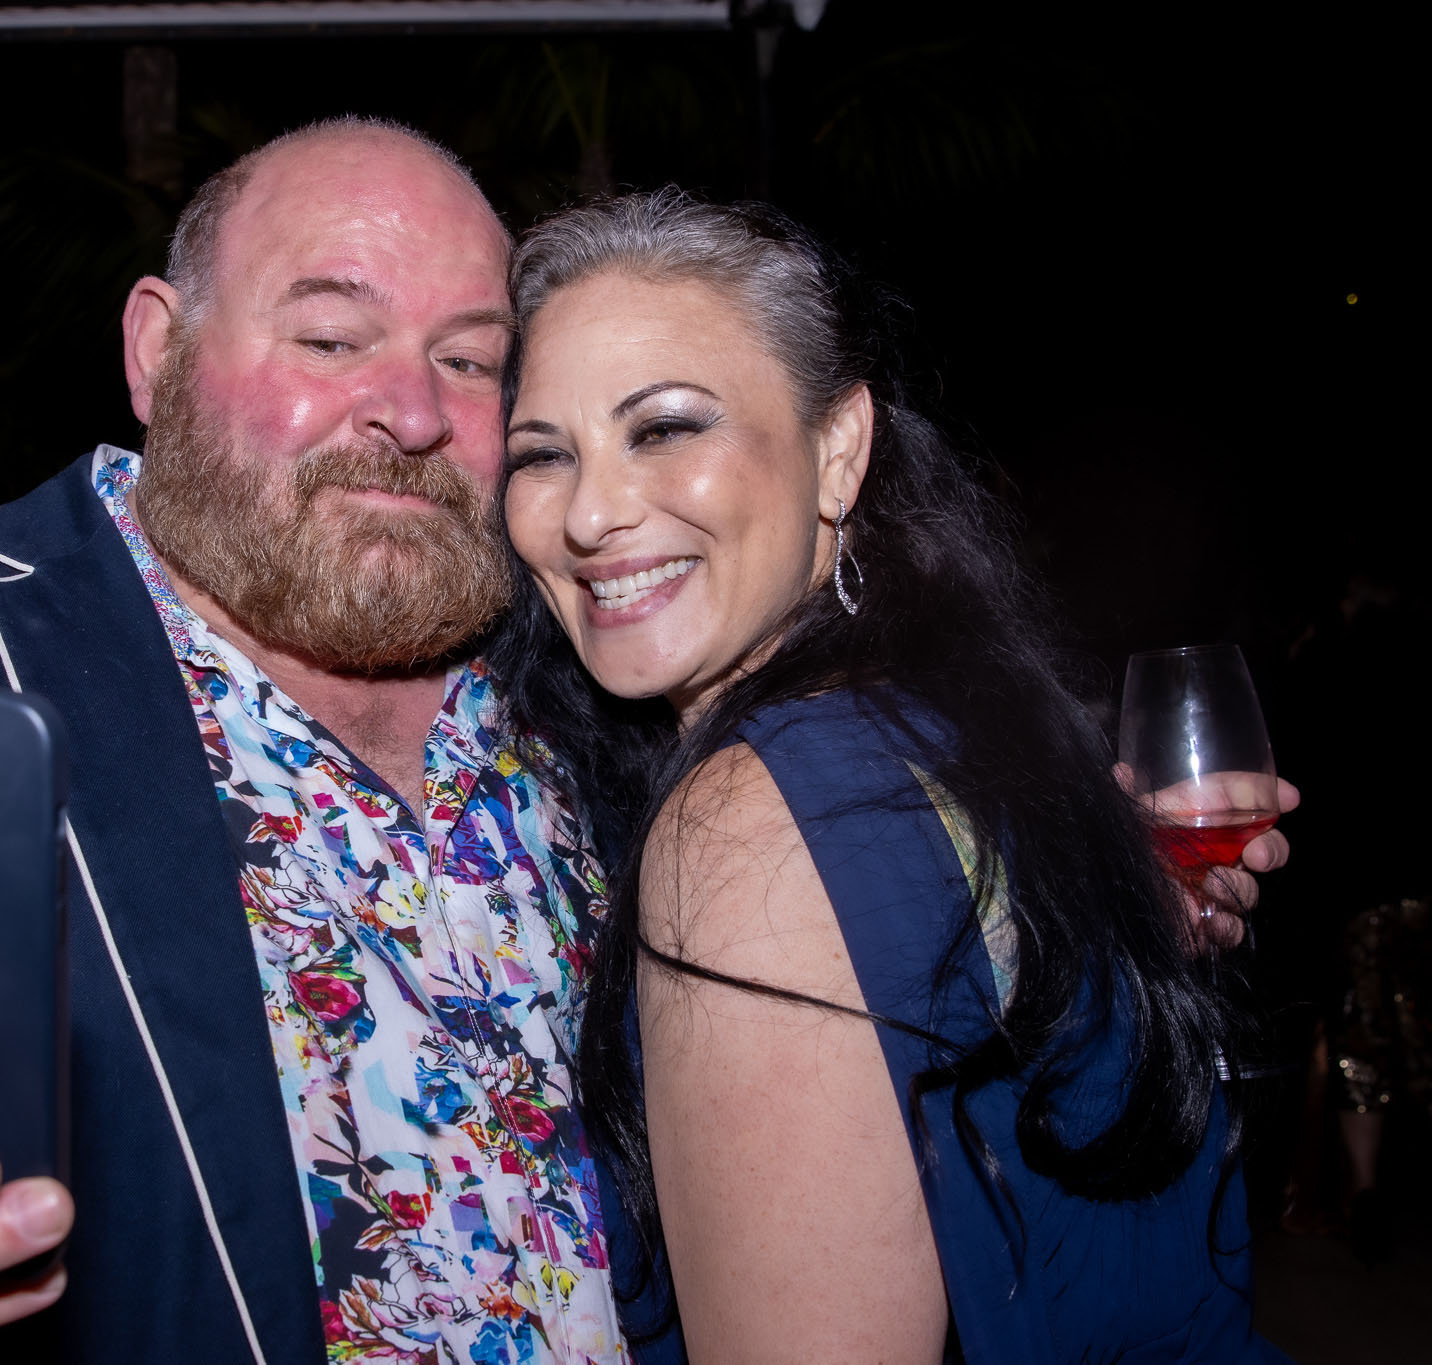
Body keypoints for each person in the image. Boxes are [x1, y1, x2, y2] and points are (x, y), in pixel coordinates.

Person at [0, 124, 1280, 1365]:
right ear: (156, 350)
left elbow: (842, 942)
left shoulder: (603, 686)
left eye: (470, 359)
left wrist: (1055, 884)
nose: (408, 409)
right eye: (327, 333)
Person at [491, 190, 1295, 1362]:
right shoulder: (959, 723)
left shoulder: (743, 827)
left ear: (837, 450)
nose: (590, 512)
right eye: (542, 454)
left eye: (662, 429)